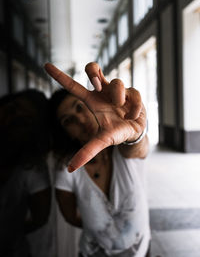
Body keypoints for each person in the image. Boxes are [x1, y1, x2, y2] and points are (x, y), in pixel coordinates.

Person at [46, 62, 151, 257]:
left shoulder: (123, 150)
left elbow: (138, 149)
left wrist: (135, 133)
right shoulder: (68, 168)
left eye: (80, 107)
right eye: (68, 121)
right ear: (65, 133)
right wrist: (99, 227)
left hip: (142, 250)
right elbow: (70, 216)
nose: (81, 120)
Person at [0, 89, 51, 257]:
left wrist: (9, 233)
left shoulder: (31, 168)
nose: (12, 119)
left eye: (24, 121)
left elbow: (40, 217)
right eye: (12, 109)